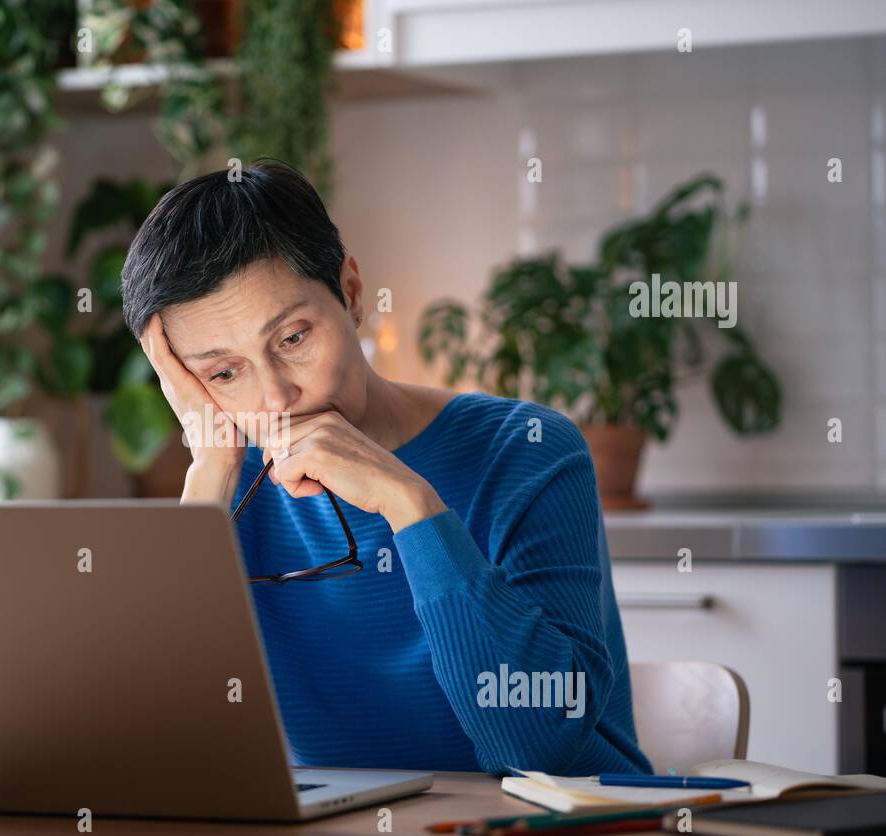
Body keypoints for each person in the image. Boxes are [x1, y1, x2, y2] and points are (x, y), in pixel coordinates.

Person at [120, 157, 652, 775]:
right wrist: (210, 475)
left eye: (292, 339)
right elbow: (157, 749)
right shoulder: (230, 486)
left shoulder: (528, 449)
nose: (274, 398)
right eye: (223, 372)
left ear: (350, 294)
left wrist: (410, 506)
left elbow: (538, 749)